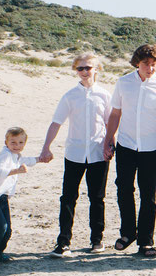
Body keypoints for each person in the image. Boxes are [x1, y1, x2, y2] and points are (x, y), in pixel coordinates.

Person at [103, 44, 156, 258]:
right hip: (126, 145)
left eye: (154, 65)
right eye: (146, 64)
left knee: (148, 196)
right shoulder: (124, 83)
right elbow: (115, 114)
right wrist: (108, 140)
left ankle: (146, 240)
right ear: (137, 63)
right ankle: (127, 233)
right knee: (124, 190)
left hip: (150, 148)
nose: (150, 69)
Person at [39, 52, 113, 257]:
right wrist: (46, 147)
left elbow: (109, 124)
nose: (83, 72)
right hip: (74, 153)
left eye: (87, 68)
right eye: (79, 68)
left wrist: (110, 145)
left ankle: (97, 240)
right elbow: (56, 122)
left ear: (96, 69)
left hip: (98, 153)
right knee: (68, 197)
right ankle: (63, 242)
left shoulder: (105, 95)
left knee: (97, 197)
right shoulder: (70, 96)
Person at [0, 127, 39, 269]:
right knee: (1, 226)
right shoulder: (5, 155)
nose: (16, 146)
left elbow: (26, 160)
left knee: (8, 229)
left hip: (2, 197)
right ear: (6, 142)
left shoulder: (16, 155)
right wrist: (17, 171)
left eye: (20, 142)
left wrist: (40, 158)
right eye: (13, 142)